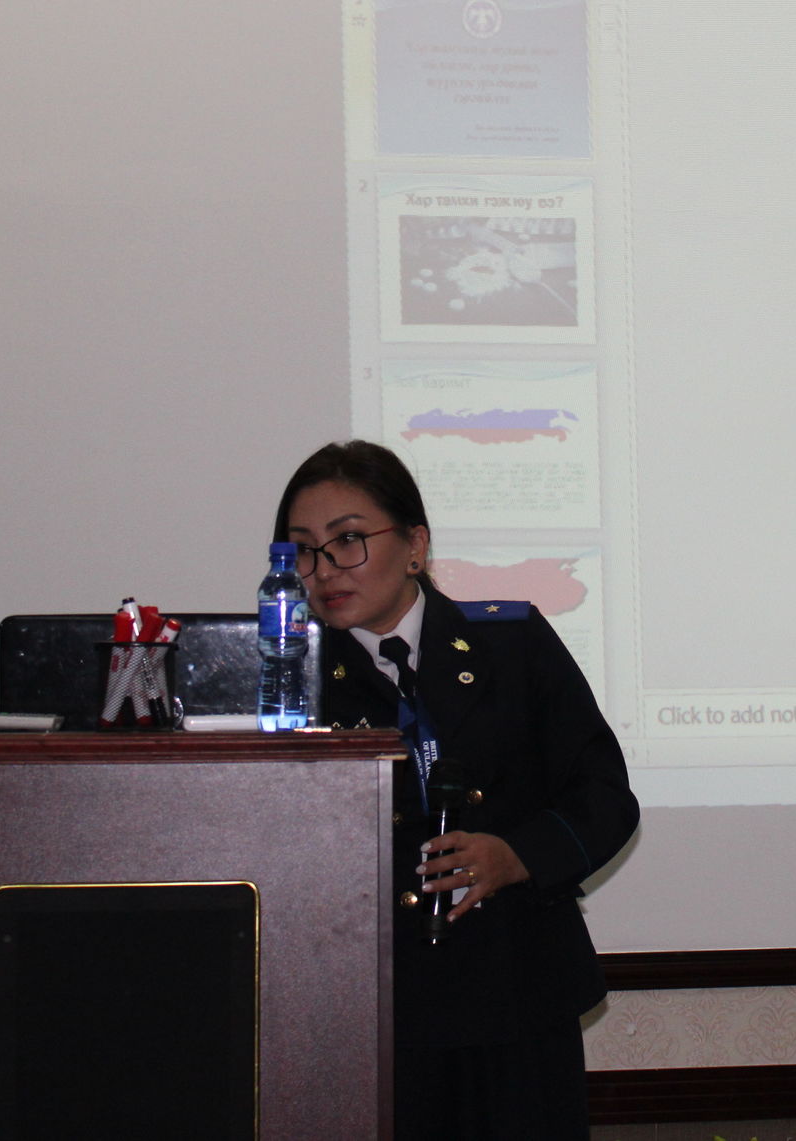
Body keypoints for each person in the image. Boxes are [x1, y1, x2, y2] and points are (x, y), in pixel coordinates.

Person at [273, 439, 637, 1139]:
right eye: (304, 550)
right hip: (366, 1008)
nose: (325, 569)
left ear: (415, 546)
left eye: (347, 540)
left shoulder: (512, 642)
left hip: (516, 990)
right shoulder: (290, 679)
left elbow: (603, 795)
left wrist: (518, 856)